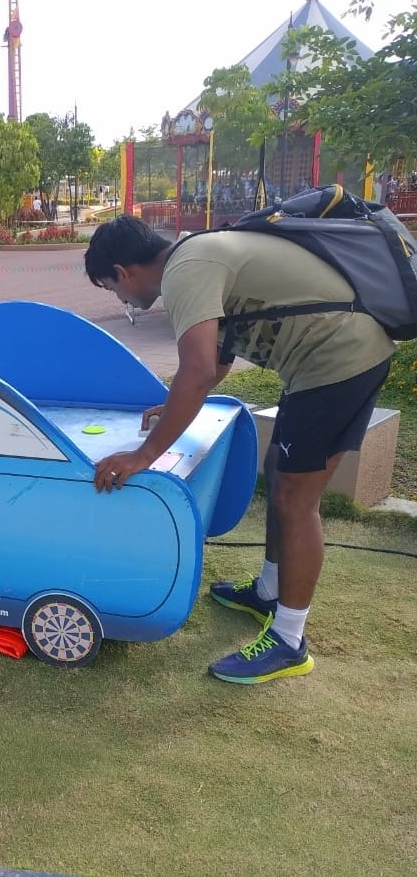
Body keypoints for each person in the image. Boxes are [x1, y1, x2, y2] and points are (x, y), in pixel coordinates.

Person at [83, 215, 394, 685]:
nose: (122, 300)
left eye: (113, 289)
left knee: (296, 498)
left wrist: (143, 455)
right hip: (321, 362)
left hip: (338, 359)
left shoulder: (187, 268)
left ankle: (290, 641)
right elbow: (222, 358)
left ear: (125, 271)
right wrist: (173, 405)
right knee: (280, 470)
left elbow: (200, 370)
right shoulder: (196, 257)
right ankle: (269, 590)